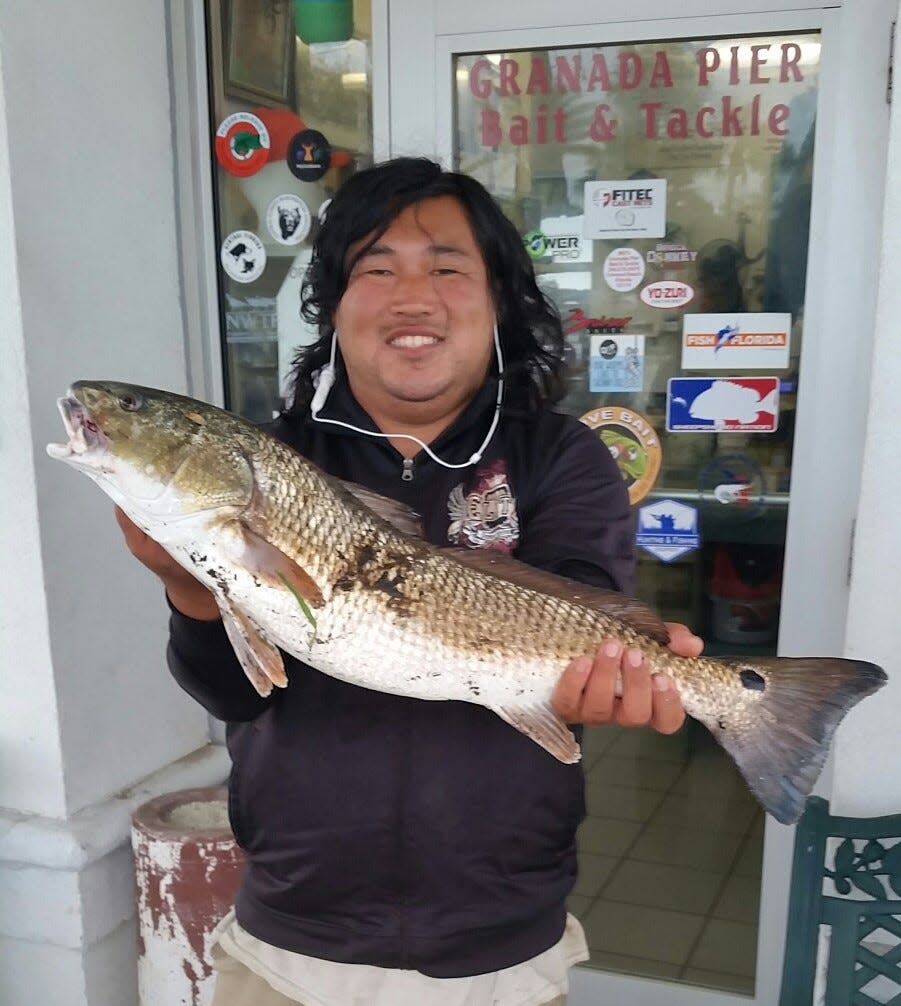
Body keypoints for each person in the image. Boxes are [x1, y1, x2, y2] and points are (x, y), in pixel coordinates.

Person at [116, 157, 701, 1006]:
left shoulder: (559, 457)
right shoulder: (270, 466)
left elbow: (576, 620)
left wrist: (613, 680)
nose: (411, 295)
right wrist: (192, 588)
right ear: (337, 308)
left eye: (447, 268)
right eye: (375, 268)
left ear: (498, 300)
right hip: (292, 943)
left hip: (500, 954)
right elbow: (233, 695)